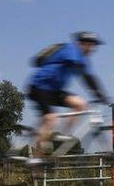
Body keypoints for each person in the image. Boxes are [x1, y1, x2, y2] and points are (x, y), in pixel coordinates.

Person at [27, 31, 108, 163]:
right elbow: (86, 76)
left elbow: (89, 76)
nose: (93, 49)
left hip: (54, 90)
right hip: (39, 87)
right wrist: (98, 93)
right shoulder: (71, 49)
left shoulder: (81, 58)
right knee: (51, 119)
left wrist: (101, 94)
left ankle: (62, 135)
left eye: (94, 46)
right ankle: (36, 159)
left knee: (80, 104)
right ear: (83, 43)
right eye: (91, 45)